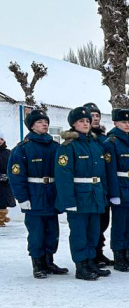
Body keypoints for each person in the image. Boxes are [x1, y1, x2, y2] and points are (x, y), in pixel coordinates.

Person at [7, 110, 68, 278]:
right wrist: (22, 198)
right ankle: (37, 264)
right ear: (32, 126)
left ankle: (49, 261)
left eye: (46, 121)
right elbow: (16, 175)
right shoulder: (22, 149)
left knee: (52, 231)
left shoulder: (56, 147)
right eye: (40, 122)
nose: (45, 124)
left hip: (51, 195)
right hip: (34, 196)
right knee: (36, 232)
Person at [54, 106, 110, 280]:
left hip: (95, 194)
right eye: (81, 121)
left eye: (87, 121)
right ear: (73, 124)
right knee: (79, 232)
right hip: (79, 196)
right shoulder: (68, 147)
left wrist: (104, 194)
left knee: (94, 231)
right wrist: (68, 201)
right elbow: (63, 176)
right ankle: (81, 266)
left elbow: (102, 173)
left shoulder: (94, 144)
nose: (86, 124)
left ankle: (91, 262)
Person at [103, 109, 129, 272]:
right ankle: (119, 256)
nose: (127, 125)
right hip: (120, 185)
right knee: (120, 224)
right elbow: (110, 170)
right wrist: (114, 194)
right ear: (115, 123)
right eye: (123, 122)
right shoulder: (111, 143)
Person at [84, 102, 113, 268]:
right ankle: (90, 255)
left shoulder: (104, 139)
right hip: (88, 189)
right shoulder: (81, 139)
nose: (95, 119)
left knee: (103, 223)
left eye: (97, 116)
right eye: (92, 116)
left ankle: (99, 252)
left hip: (102, 187)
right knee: (90, 225)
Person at [0, 133, 14, 227]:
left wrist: (8, 176)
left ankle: (1, 218)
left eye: (1, 139)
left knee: (2, 202)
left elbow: (13, 166)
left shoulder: (8, 153)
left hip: (5, 183)